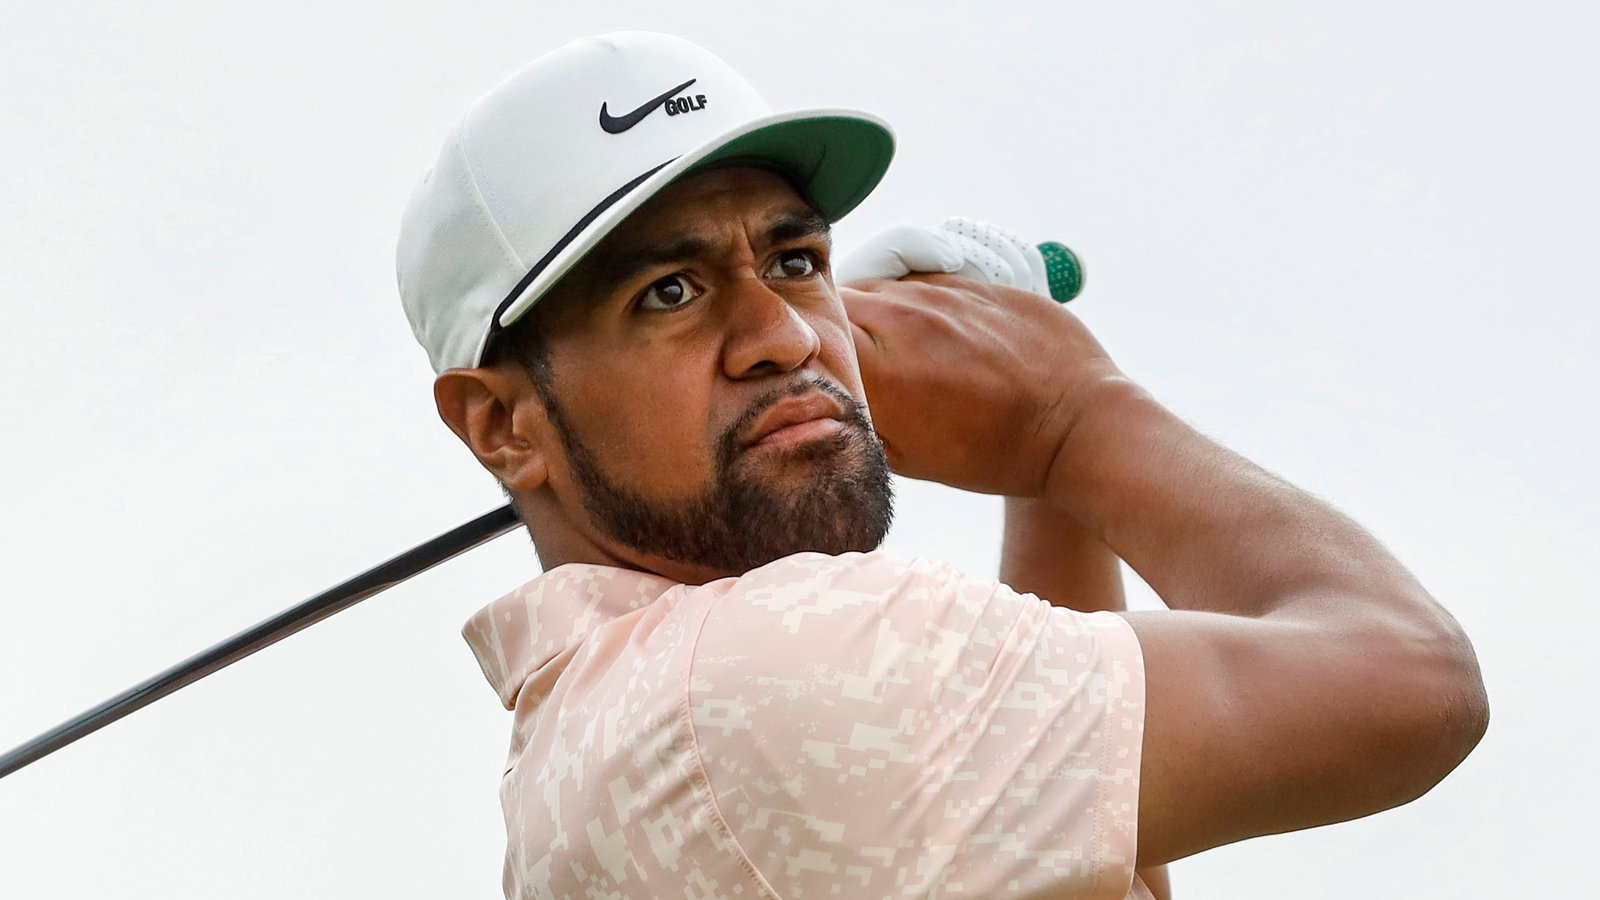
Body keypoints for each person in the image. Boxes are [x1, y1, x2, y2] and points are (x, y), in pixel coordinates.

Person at [397, 32, 1487, 900]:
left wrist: (1036, 474)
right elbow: (1410, 684)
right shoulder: (756, 671)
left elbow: (1099, 855)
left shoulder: (623, 718)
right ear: (503, 426)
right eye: (669, 293)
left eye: (794, 260)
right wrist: (1071, 412)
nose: (788, 335)